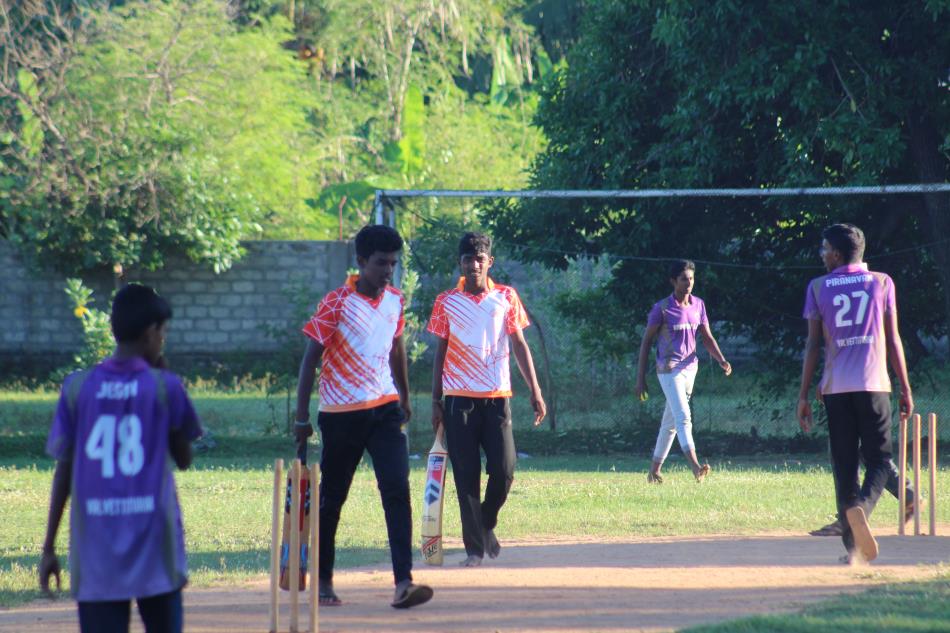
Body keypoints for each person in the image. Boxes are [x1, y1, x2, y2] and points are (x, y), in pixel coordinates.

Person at [39, 284, 203, 633]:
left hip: (96, 551)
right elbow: (184, 458)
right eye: (164, 332)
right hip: (155, 548)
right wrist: (166, 380)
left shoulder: (77, 388)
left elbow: (64, 470)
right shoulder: (165, 387)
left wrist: (49, 547)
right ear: (150, 333)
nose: (163, 340)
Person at [294, 224, 433, 609]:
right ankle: (324, 579)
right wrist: (301, 417)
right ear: (360, 261)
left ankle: (403, 582)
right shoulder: (336, 302)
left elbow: (397, 348)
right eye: (380, 263)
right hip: (341, 415)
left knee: (397, 489)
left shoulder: (395, 301)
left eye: (393, 264)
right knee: (332, 498)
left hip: (385, 409)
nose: (388, 271)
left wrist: (404, 395)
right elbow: (310, 360)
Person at [428, 232, 546, 568]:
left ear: (489, 262)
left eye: (480, 259)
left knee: (505, 469)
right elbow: (440, 351)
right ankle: (474, 550)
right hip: (458, 401)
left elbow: (519, 345)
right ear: (460, 263)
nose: (474, 265)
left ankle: (486, 520)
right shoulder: (446, 301)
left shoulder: (506, 297)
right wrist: (435, 400)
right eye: (468, 259)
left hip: (497, 399)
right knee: (466, 477)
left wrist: (535, 390)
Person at [797, 223, 913, 563]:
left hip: (836, 388)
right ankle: (862, 507)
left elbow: (813, 345)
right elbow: (893, 339)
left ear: (836, 254)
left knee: (845, 465)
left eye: (824, 250)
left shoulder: (818, 287)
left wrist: (803, 395)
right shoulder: (882, 282)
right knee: (879, 460)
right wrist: (905, 387)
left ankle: (854, 551)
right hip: (873, 382)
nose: (822, 255)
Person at [635, 260, 731, 484]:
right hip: (669, 370)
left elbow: (707, 337)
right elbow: (646, 342)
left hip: (690, 369)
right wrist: (640, 379)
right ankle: (696, 467)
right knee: (684, 417)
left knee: (670, 423)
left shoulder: (698, 305)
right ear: (673, 281)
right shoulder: (662, 308)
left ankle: (654, 472)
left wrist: (721, 359)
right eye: (684, 279)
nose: (689, 283)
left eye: (691, 279)